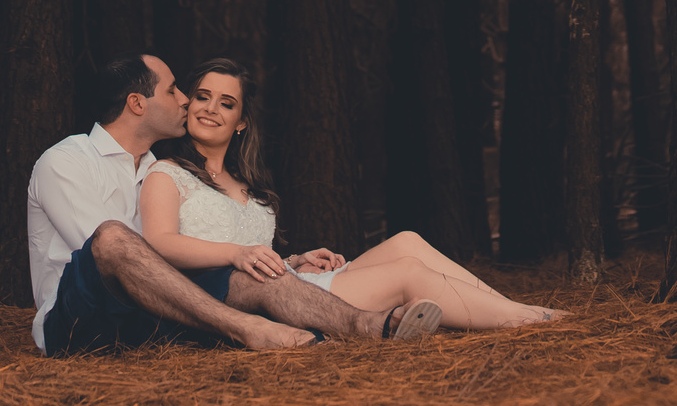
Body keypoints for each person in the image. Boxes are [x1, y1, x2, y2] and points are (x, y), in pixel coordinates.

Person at [26, 50, 443, 355]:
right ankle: (248, 328)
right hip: (82, 318)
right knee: (112, 237)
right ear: (137, 103)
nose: (185, 100)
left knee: (259, 279)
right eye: (172, 90)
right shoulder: (66, 162)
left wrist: (284, 263)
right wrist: (231, 259)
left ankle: (370, 325)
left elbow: (172, 258)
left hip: (150, 317)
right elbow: (111, 259)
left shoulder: (157, 167)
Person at [140, 57, 564, 331]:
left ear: (242, 122)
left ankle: (510, 308)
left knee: (407, 241)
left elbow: (256, 253)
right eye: (202, 97)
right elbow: (160, 244)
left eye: (226, 103)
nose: (211, 108)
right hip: (249, 305)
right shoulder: (168, 173)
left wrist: (294, 260)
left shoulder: (245, 183)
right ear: (189, 105)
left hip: (290, 284)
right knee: (407, 273)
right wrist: (237, 253)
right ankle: (530, 321)